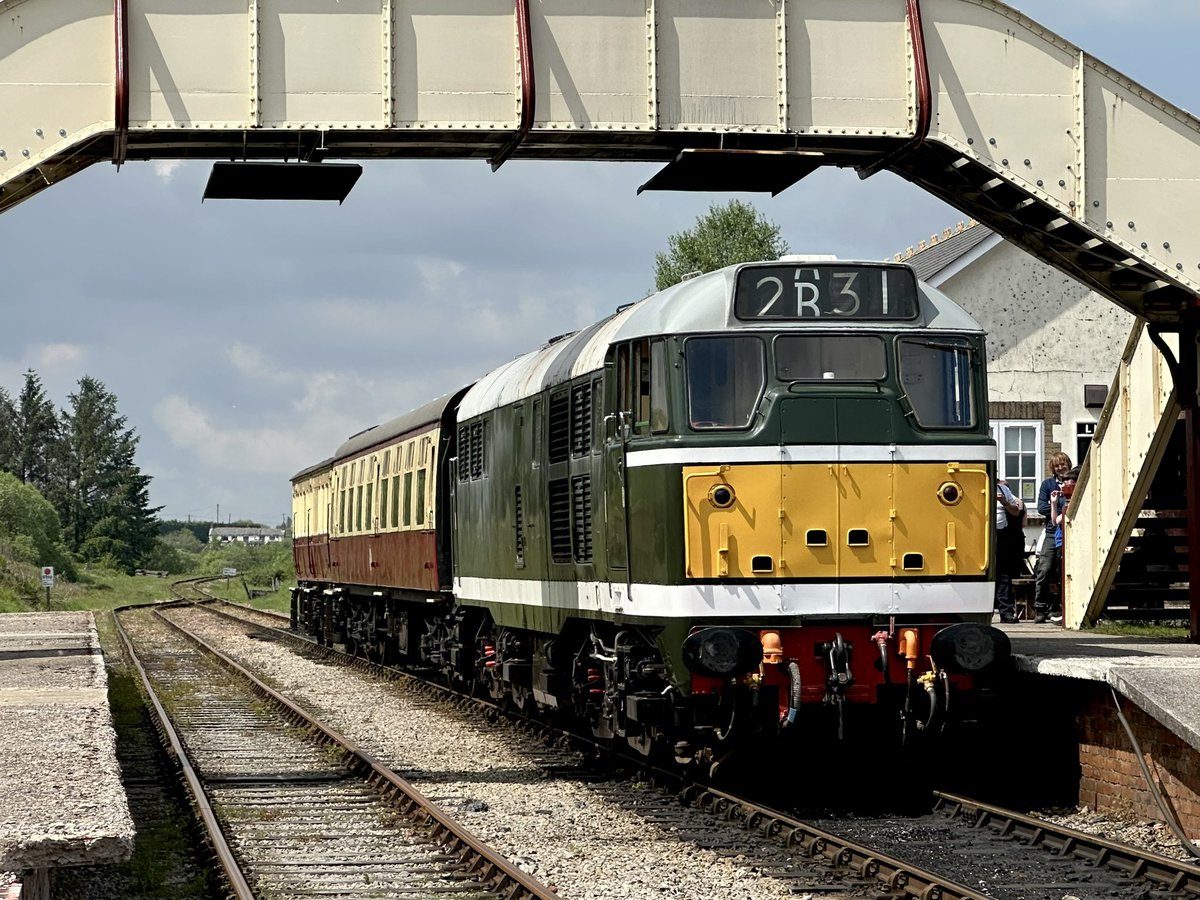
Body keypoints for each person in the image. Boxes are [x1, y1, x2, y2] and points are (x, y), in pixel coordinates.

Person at [1034, 451, 1072, 623]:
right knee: (1044, 569)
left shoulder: (1074, 482)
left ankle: (1060, 607)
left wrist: (1056, 504)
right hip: (1052, 531)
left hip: (1072, 531)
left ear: (1068, 464)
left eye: (1062, 464)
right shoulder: (1048, 484)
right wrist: (1057, 505)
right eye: (1057, 466)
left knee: (1063, 571)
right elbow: (1041, 507)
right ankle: (1040, 607)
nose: (1060, 468)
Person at [994, 479, 1024, 623]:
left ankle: (1006, 612)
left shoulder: (1003, 490)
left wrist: (1005, 502)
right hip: (979, 535)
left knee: (1003, 573)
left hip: (1001, 534)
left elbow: (1016, 512)